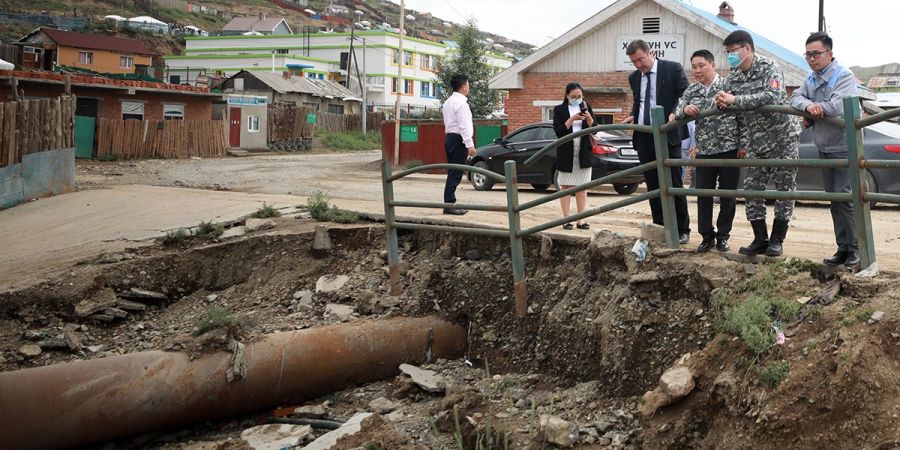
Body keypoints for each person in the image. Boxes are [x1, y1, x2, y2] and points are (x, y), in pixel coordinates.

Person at [714, 30, 801, 257]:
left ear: (748, 49)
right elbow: (725, 94)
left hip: (783, 137)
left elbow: (772, 96)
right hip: (755, 139)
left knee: (784, 189)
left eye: (734, 51)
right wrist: (721, 101)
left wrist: (736, 100)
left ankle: (777, 240)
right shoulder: (734, 74)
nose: (731, 55)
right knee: (752, 189)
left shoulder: (769, 67)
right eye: (728, 52)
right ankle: (760, 238)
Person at [790, 32, 860, 267]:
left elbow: (837, 106)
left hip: (843, 145)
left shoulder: (844, 75)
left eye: (816, 54)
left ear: (829, 54)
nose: (811, 58)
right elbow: (795, 98)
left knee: (844, 199)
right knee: (833, 199)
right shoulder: (811, 78)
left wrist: (815, 110)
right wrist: (810, 106)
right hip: (824, 145)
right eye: (808, 54)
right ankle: (842, 248)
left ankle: (856, 249)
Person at [672, 50, 742, 253]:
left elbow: (743, 118)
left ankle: (723, 237)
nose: (697, 70)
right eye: (693, 67)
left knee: (728, 196)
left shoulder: (729, 86)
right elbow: (677, 112)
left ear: (713, 64)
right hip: (704, 151)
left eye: (701, 65)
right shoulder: (691, 90)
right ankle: (706, 236)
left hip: (730, 149)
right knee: (703, 196)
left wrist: (743, 145)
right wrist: (684, 111)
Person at [622, 39, 692, 244]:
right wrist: (633, 116)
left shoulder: (672, 69)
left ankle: (682, 228)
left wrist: (674, 113)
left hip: (667, 134)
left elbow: (684, 95)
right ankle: (660, 226)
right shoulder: (634, 77)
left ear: (650, 53)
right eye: (634, 62)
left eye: (640, 59)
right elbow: (640, 101)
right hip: (644, 135)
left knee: (673, 181)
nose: (638, 65)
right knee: (652, 183)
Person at [552, 82, 595, 230]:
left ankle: (580, 220)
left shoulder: (586, 106)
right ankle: (566, 219)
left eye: (579, 96)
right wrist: (572, 119)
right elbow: (559, 131)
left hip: (583, 150)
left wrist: (589, 119)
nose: (577, 99)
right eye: (573, 96)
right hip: (567, 150)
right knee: (566, 186)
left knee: (582, 187)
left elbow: (594, 130)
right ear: (567, 96)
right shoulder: (559, 109)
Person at [441, 74, 476, 215]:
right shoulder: (461, 103)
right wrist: (470, 145)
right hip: (458, 140)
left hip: (450, 138)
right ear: (463, 87)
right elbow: (463, 126)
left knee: (452, 172)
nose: (468, 88)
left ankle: (450, 203)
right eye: (468, 85)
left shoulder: (448, 102)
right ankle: (449, 204)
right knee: (455, 173)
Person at [680, 121, 696, 187]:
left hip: (683, 146)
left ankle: (679, 186)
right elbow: (693, 130)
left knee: (681, 168)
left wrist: (692, 146)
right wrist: (692, 145)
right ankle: (679, 185)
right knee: (682, 168)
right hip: (685, 146)